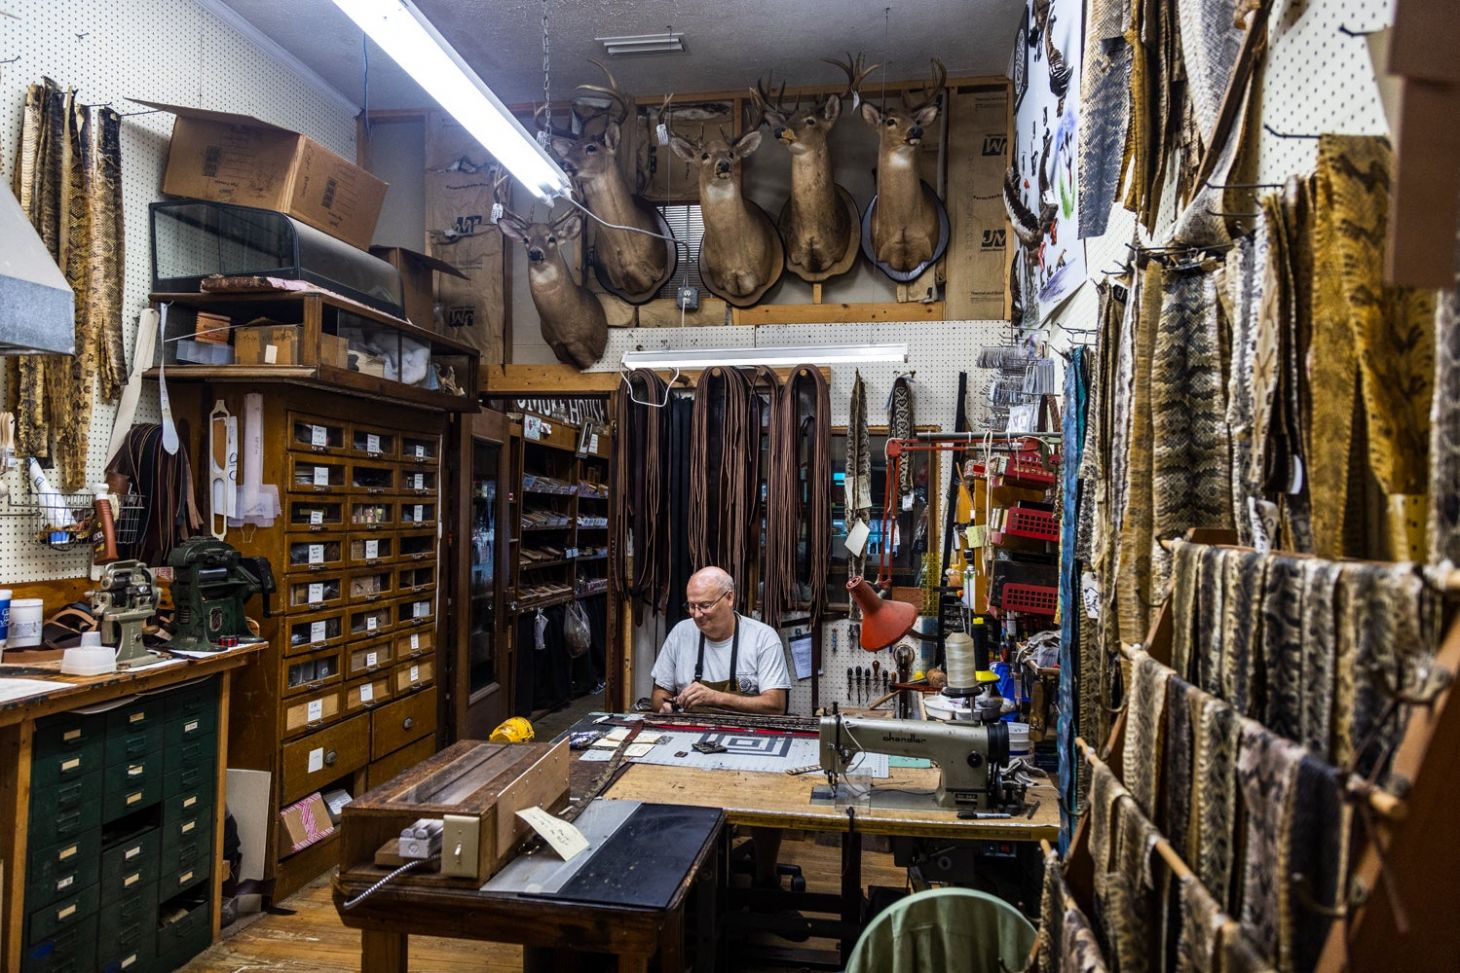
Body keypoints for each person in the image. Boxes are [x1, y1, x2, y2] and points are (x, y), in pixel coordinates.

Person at [650, 567, 790, 715]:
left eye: (705, 605)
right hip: (693, 729)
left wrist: (715, 698)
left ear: (729, 598)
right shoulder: (680, 633)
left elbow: (776, 705)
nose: (696, 614)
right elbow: (659, 696)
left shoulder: (763, 638)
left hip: (745, 733)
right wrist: (669, 705)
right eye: (691, 606)